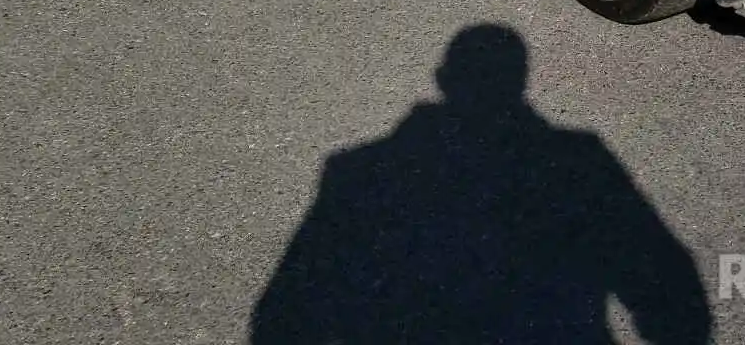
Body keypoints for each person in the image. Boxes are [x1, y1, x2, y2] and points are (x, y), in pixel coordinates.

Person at [250, 25, 714, 344]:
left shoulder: (353, 170)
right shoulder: (581, 156)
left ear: (442, 79)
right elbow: (665, 271)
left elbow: (284, 310)